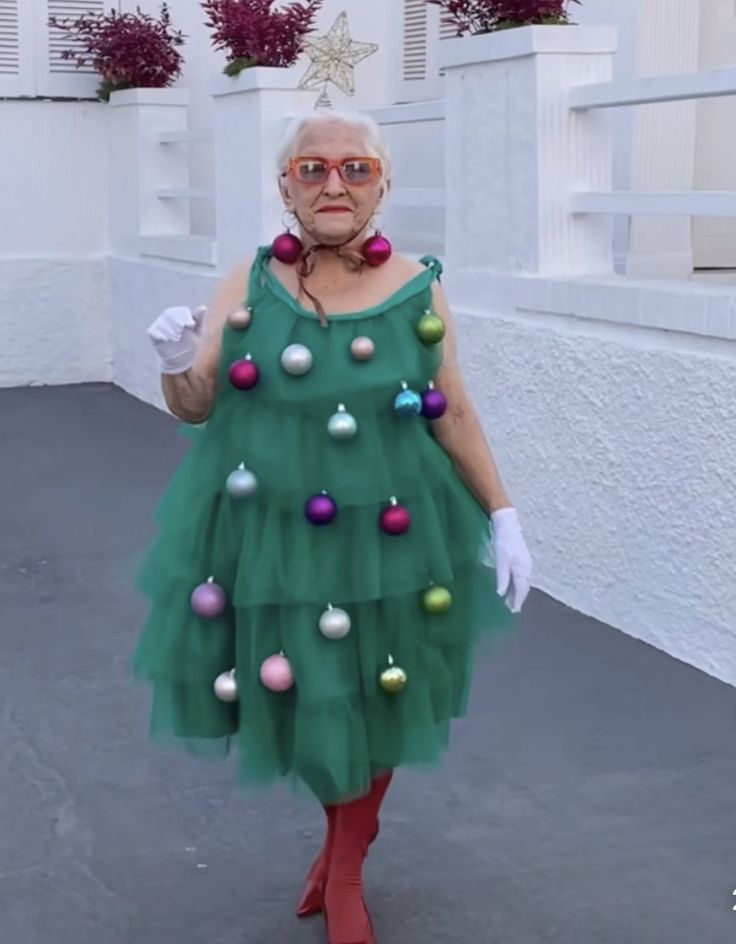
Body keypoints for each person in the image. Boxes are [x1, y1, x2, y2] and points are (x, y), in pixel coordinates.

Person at [136, 110, 532, 944]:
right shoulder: (249, 280)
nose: (334, 185)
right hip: (275, 536)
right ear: (285, 186)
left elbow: (450, 408)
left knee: (379, 694)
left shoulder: (420, 284)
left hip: (394, 534)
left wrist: (503, 511)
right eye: (312, 170)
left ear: (382, 183)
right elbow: (199, 404)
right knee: (311, 695)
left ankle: (347, 863)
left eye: (355, 169)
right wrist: (175, 361)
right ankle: (344, 830)